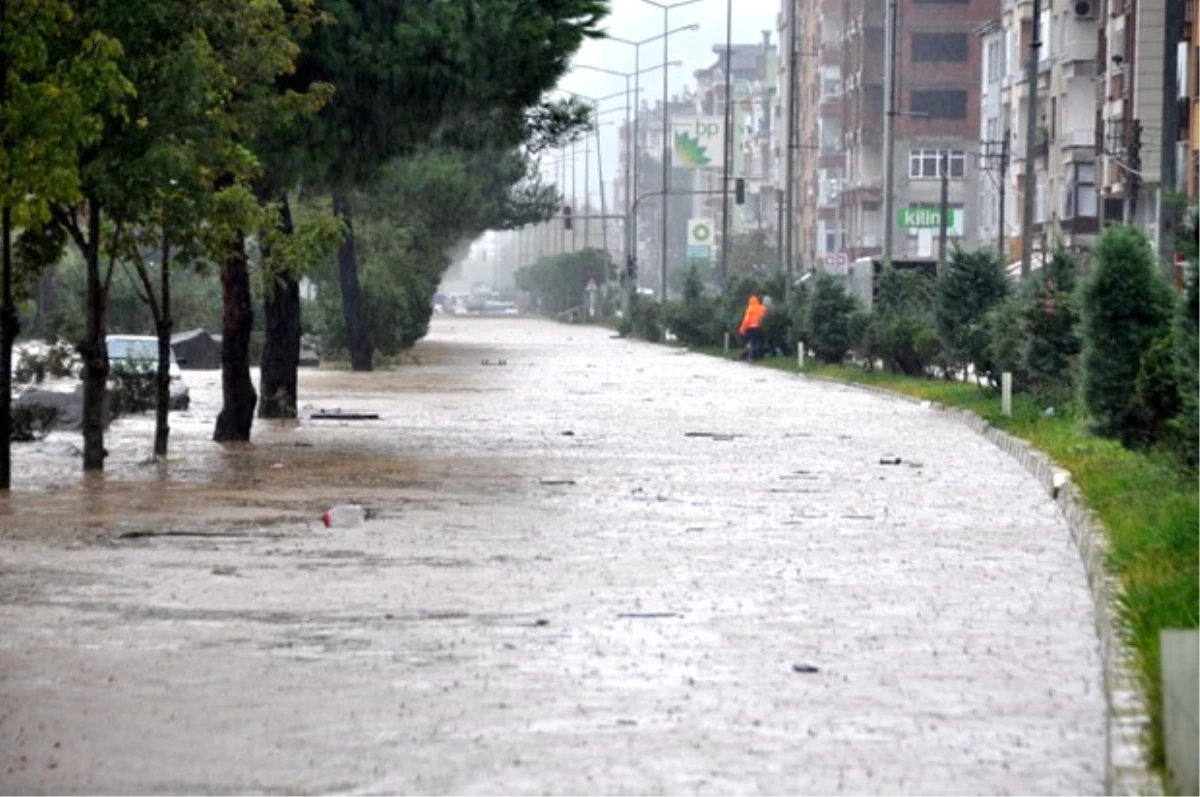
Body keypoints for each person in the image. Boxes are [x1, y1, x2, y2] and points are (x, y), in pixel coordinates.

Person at [738, 294, 766, 361]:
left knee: (752, 342)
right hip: (760, 327)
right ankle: (758, 356)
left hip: (751, 328)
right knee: (758, 342)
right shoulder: (762, 307)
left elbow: (746, 320)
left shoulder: (750, 308)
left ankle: (752, 357)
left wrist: (742, 328)